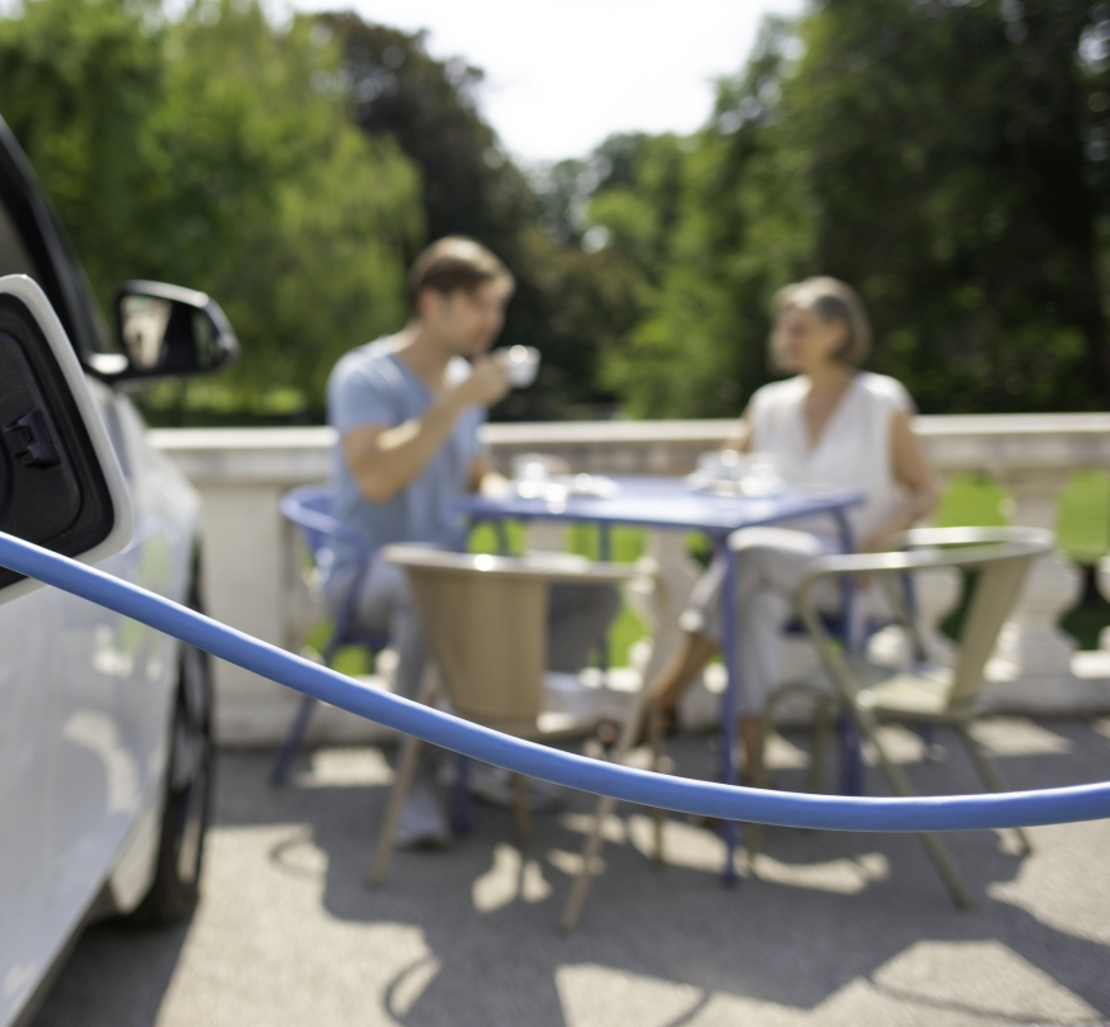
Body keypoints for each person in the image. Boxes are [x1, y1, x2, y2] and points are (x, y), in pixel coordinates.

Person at [325, 236, 616, 843]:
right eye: (481, 305)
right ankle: (417, 782)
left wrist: (530, 483)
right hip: (368, 573)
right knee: (424, 588)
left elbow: (476, 477)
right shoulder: (365, 376)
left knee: (592, 593)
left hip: (454, 568)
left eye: (497, 307)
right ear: (434, 303)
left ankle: (500, 747)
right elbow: (377, 479)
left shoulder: (465, 384)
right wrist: (455, 401)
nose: (494, 321)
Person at [641, 276, 940, 780]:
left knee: (749, 555)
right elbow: (722, 470)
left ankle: (661, 698)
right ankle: (749, 773)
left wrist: (874, 540)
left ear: (838, 332)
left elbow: (925, 491)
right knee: (755, 605)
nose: (786, 338)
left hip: (850, 574)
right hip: (775, 573)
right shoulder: (769, 405)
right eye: (784, 327)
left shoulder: (881, 402)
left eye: (799, 328)